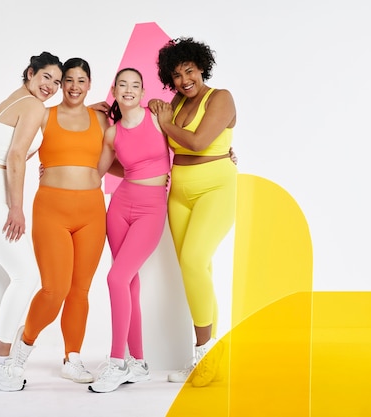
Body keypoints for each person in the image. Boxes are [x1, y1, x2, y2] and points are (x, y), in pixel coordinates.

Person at [9, 57, 111, 384]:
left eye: (81, 80)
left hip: (93, 212)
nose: (74, 86)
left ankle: (73, 358)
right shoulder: (44, 115)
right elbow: (18, 151)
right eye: (68, 80)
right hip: (51, 209)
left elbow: (124, 155)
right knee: (54, 289)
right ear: (61, 84)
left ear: (90, 84)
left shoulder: (101, 119)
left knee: (80, 290)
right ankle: (22, 348)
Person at [0, 52, 63, 392]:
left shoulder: (17, 100)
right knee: (25, 276)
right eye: (46, 77)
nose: (50, 86)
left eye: (56, 81)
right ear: (31, 72)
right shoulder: (33, 106)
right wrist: (17, 208)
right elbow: (16, 155)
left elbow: (7, 148)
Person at [151, 37, 238, 386]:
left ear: (202, 66)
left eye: (189, 70)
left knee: (193, 261)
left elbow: (200, 142)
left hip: (215, 187)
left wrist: (164, 124)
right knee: (197, 268)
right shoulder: (173, 102)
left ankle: (203, 354)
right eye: (176, 74)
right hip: (180, 192)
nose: (184, 79)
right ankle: (210, 356)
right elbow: (155, 141)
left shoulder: (221, 97)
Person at [87, 68, 171, 393]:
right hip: (120, 207)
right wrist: (55, 168)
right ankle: (137, 363)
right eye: (122, 85)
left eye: (135, 85)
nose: (129, 90)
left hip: (152, 208)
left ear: (142, 90)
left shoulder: (156, 116)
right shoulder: (112, 133)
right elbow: (97, 174)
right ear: (114, 90)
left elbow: (184, 143)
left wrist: (223, 155)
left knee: (116, 278)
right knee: (128, 283)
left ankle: (116, 362)